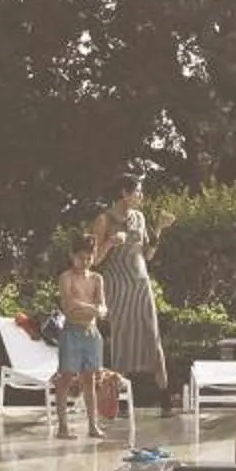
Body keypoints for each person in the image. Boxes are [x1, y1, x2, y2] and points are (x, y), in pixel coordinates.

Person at [89, 173, 176, 409]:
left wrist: (159, 228)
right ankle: (117, 403)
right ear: (124, 193)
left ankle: (165, 398)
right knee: (123, 339)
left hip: (140, 283)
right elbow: (94, 261)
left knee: (152, 336)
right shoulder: (104, 220)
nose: (141, 195)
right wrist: (109, 243)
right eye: (137, 191)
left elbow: (148, 254)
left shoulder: (139, 217)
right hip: (118, 285)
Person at [54, 236, 108, 439]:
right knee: (66, 378)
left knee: (90, 379)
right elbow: (69, 305)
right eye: (81, 258)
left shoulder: (96, 279)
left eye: (88, 258)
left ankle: (93, 426)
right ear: (72, 256)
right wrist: (93, 308)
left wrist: (94, 309)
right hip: (72, 331)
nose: (84, 262)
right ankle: (63, 427)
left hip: (91, 333)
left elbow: (103, 306)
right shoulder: (66, 277)